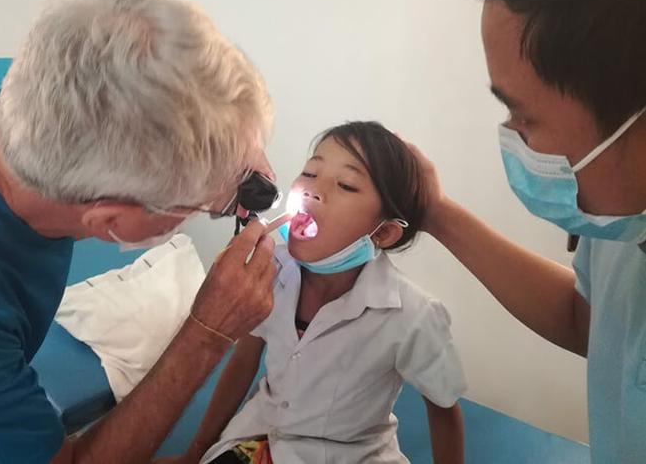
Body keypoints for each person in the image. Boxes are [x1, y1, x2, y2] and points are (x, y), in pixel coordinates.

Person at [0, 0, 279, 464]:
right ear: (109, 222)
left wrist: (231, 142)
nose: (225, 205)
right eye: (211, 205)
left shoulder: (19, 87)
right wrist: (207, 332)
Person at [408, 0, 646, 462]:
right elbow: (591, 323)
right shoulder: (618, 218)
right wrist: (436, 212)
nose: (512, 137)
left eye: (523, 116)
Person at [157, 122, 466, 464]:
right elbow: (243, 360)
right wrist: (194, 452)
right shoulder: (270, 266)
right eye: (310, 172)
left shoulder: (413, 315)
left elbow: (444, 409)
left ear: (384, 233)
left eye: (346, 185)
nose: (313, 191)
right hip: (261, 440)